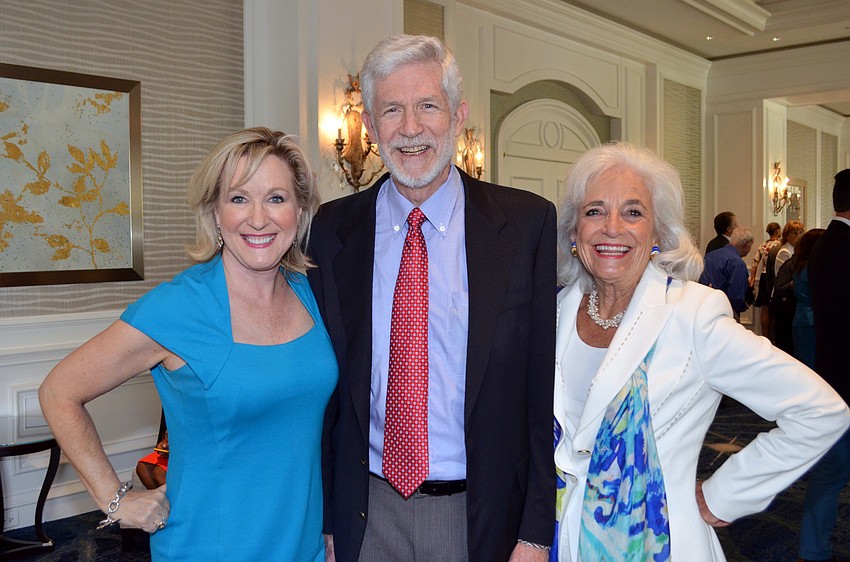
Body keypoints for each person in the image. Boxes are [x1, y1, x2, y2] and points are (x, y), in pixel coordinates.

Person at [308, 34, 556, 562]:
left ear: (458, 115)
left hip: (478, 515)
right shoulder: (333, 230)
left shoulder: (526, 224)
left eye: (427, 106)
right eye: (392, 110)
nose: (411, 128)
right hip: (366, 512)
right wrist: (328, 519)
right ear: (371, 128)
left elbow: (541, 390)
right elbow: (329, 395)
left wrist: (535, 531)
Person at [39, 128, 338, 561]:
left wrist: (327, 531)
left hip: (304, 548)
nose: (258, 218)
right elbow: (58, 392)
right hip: (208, 548)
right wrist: (114, 500)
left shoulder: (310, 292)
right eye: (238, 198)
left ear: (300, 210)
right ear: (215, 213)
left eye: (276, 198)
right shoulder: (179, 308)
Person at [552, 141, 849, 562]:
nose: (612, 227)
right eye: (594, 211)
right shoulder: (552, 313)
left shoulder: (692, 315)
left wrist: (724, 494)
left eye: (633, 212)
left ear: (657, 234)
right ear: (573, 232)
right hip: (558, 540)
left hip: (660, 542)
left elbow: (820, 410)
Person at [798, 169, 850, 562]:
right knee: (832, 469)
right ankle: (813, 548)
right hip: (844, 372)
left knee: (831, 468)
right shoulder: (843, 246)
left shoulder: (822, 244)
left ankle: (813, 548)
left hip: (832, 368)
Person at [783, 228, 825, 369]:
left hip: (800, 317)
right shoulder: (812, 268)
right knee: (811, 362)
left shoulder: (800, 266)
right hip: (811, 319)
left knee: (802, 360)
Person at [699, 226, 754, 321]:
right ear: (746, 244)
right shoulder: (737, 263)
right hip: (726, 311)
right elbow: (736, 296)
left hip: (705, 306)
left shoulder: (710, 256)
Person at [769, 220, 805, 351]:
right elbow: (781, 278)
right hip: (783, 298)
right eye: (795, 232)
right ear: (787, 235)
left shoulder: (796, 251)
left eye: (801, 232)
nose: (798, 235)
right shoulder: (785, 252)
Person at [750, 221, 782, 338]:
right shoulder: (780, 245)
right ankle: (774, 337)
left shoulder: (763, 245)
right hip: (775, 276)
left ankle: (765, 335)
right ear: (778, 231)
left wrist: (752, 278)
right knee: (774, 308)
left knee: (764, 308)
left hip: (763, 276)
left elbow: (754, 262)